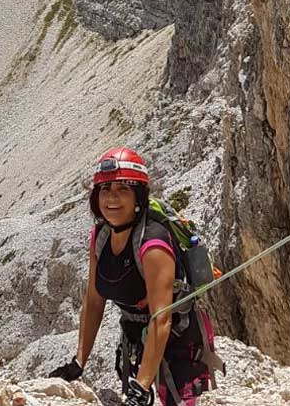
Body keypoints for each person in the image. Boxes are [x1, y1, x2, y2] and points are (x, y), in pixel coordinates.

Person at [49, 148, 218, 406]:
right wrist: (78, 362)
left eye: (122, 190)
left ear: (138, 196)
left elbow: (162, 318)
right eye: (105, 190)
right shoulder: (101, 237)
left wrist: (141, 386)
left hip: (179, 341)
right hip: (136, 338)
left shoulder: (153, 244)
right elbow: (94, 301)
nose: (112, 199)